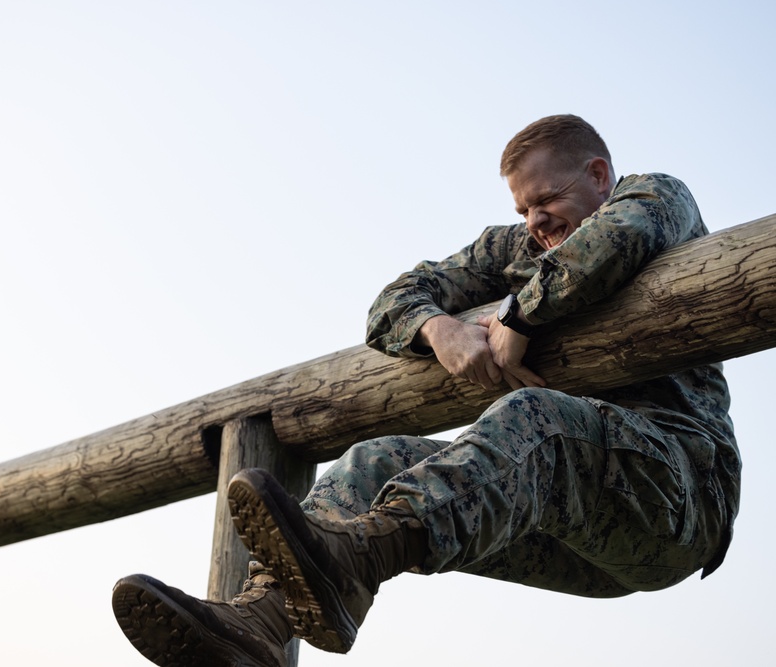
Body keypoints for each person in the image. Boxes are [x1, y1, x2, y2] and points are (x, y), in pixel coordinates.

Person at [111, 115, 741, 667]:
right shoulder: (510, 247)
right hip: (574, 534)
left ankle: (355, 561)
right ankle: (258, 628)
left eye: (548, 197)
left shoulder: (653, 196)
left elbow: (618, 239)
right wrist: (438, 328)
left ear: (599, 175)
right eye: (523, 206)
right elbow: (390, 303)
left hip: (676, 497)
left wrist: (518, 318)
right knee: (372, 462)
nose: (535, 219)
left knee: (537, 419)